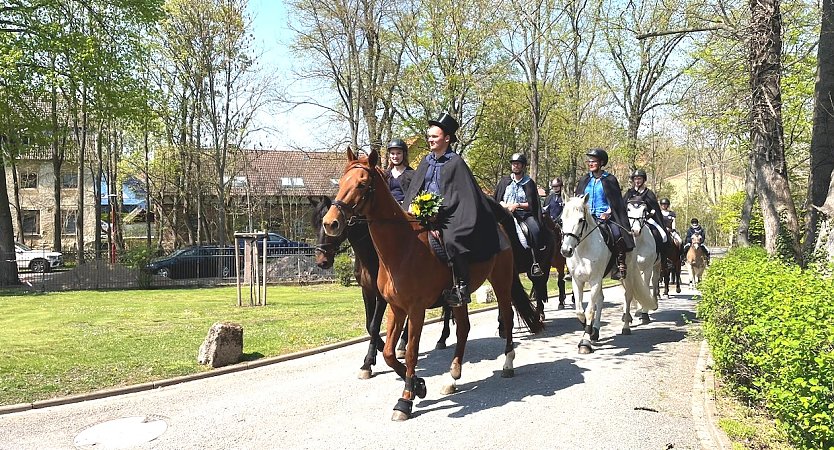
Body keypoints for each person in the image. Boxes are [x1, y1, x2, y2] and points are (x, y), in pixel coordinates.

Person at [401, 113, 500, 307]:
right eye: (429, 136)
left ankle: (462, 286)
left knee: (453, 239)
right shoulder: (425, 161)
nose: (430, 139)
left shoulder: (455, 162)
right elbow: (416, 188)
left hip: (450, 214)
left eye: (434, 136)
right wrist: (413, 204)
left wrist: (439, 212)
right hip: (422, 213)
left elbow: (462, 194)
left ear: (446, 139)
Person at [574, 148, 634, 279]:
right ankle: (572, 265)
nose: (590, 163)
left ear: (601, 162)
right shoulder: (584, 180)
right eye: (589, 161)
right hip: (587, 216)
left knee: (617, 233)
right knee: (573, 232)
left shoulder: (610, 179)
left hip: (604, 217)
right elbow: (578, 199)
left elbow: (617, 202)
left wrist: (608, 212)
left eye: (593, 161)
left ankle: (620, 265)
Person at [494, 153, 545, 276]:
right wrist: (503, 205)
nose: (515, 166)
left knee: (535, 230)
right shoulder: (504, 181)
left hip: (524, 214)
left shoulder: (529, 183)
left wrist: (517, 205)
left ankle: (535, 262)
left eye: (518, 164)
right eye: (513, 164)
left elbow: (533, 204)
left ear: (523, 166)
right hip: (505, 213)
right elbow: (497, 198)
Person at [622, 169, 667, 244]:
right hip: (631, 219)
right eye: (635, 179)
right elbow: (623, 206)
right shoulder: (629, 193)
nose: (637, 181)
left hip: (647, 219)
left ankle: (660, 253)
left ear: (644, 179)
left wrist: (651, 213)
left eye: (639, 178)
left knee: (663, 235)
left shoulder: (649, 193)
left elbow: (654, 208)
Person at [384, 139, 414, 204]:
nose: (395, 156)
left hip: (406, 209)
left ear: (404, 154)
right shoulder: (385, 175)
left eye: (398, 153)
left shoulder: (412, 174)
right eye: (392, 153)